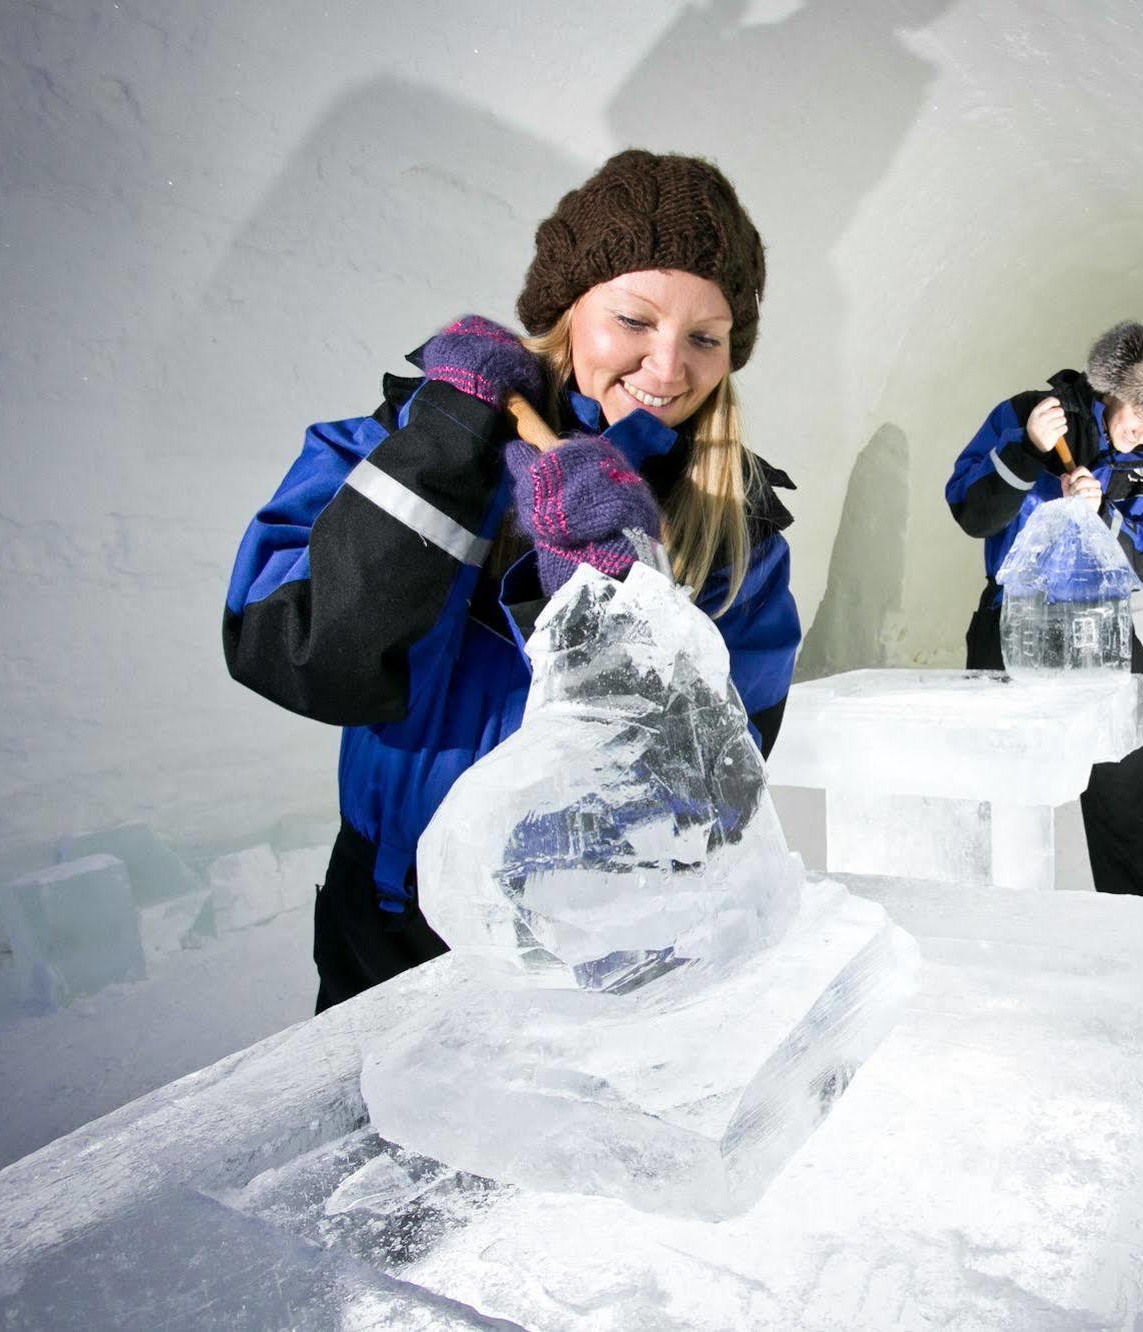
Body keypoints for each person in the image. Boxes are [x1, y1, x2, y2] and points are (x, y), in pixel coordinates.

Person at [224, 150, 801, 1012]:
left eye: (705, 339)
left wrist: (600, 588)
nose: (668, 367)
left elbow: (711, 801)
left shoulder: (736, 528)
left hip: (591, 945)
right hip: (383, 917)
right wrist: (443, 441)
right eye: (635, 320)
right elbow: (292, 651)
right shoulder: (400, 437)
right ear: (568, 310)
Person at [944, 321, 1143, 899]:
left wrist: (1102, 517)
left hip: (1104, 632)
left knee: (1126, 793)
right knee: (999, 790)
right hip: (1011, 623)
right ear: (1116, 387)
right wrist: (1027, 450)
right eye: (1141, 411)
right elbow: (973, 514)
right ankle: (990, 934)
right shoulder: (1032, 413)